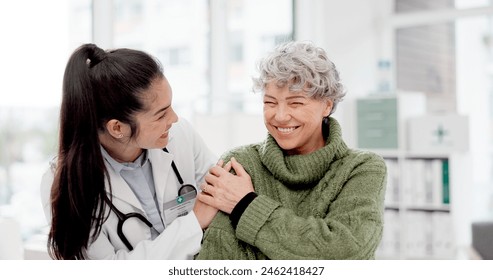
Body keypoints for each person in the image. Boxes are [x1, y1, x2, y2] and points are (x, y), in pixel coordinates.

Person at [195, 41, 387, 260]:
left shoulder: (362, 168)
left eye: (295, 103)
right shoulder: (240, 163)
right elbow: (219, 258)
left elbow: (347, 251)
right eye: (270, 102)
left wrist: (246, 205)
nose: (280, 116)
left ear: (327, 105)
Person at [40, 43, 219, 260]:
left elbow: (221, 192)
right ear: (117, 128)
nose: (174, 119)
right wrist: (194, 223)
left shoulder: (180, 136)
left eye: (170, 107)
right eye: (161, 115)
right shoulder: (65, 184)